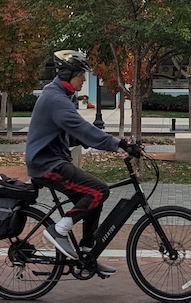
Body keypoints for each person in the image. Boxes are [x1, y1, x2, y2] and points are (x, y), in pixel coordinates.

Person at [25, 50, 141, 277]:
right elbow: (83, 129)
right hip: (46, 165)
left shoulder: (57, 95)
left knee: (92, 198)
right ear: (68, 74)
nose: (84, 80)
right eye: (81, 75)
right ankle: (59, 230)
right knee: (99, 190)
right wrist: (119, 144)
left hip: (52, 160)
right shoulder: (56, 99)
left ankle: (88, 252)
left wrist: (102, 141)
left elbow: (71, 133)